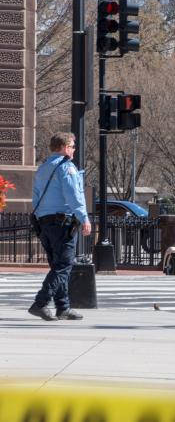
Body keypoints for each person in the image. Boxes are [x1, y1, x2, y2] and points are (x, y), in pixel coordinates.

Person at [29, 132, 91, 321]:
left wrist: (40, 221)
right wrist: (84, 218)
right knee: (64, 265)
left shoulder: (43, 168)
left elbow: (36, 197)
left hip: (45, 223)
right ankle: (40, 303)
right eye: (72, 146)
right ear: (64, 148)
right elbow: (74, 196)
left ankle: (63, 306)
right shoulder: (66, 167)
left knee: (57, 265)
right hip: (62, 223)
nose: (73, 150)